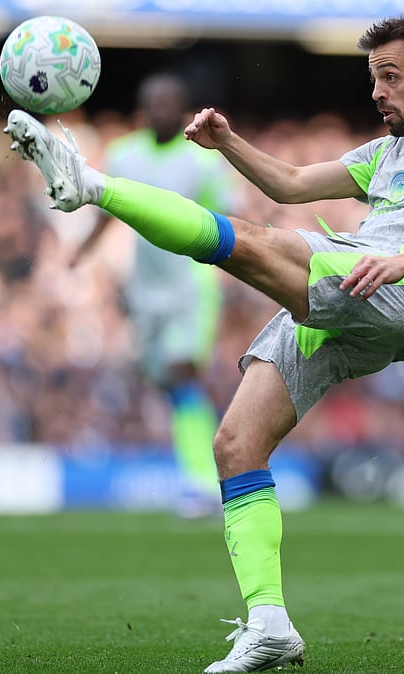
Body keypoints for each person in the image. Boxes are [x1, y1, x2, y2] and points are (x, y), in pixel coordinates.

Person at [5, 13, 404, 672]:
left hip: (385, 289)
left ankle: (93, 187)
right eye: (374, 79)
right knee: (235, 445)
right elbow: (291, 184)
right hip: (350, 292)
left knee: (251, 241)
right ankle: (270, 623)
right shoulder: (389, 151)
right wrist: (227, 142)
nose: (378, 93)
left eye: (391, 78)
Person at [73, 73, 235, 518]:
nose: (161, 109)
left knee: (184, 374)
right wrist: (81, 251)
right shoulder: (125, 154)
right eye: (154, 102)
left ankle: (203, 482)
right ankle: (209, 459)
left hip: (192, 284)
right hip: (145, 288)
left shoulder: (202, 159)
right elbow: (112, 205)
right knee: (169, 383)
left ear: (183, 110)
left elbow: (229, 216)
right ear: (143, 110)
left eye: (170, 102)